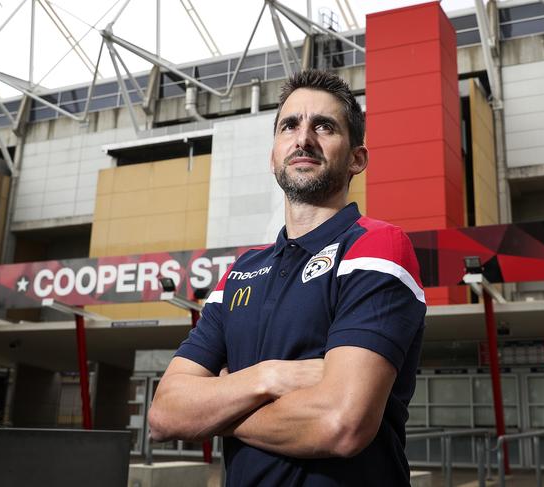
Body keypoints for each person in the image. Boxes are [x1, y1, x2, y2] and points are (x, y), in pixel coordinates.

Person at [148, 69, 427, 486]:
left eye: (324, 126)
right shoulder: (241, 273)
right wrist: (272, 377)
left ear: (357, 158)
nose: (304, 138)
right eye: (289, 125)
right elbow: (166, 413)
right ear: (274, 153)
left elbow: (340, 423)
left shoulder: (376, 247)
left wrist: (217, 412)